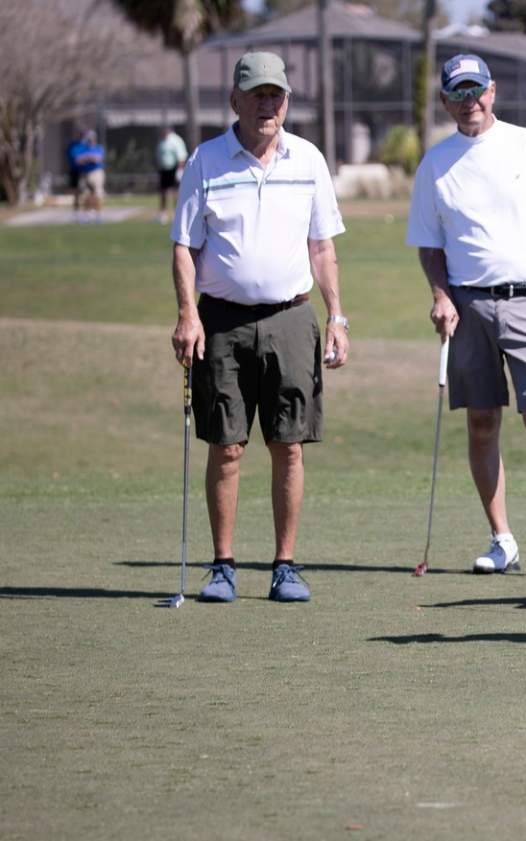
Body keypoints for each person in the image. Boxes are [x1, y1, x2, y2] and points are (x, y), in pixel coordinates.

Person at [169, 51, 349, 604]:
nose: (267, 105)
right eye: (256, 95)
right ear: (235, 101)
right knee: (226, 446)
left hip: (291, 318)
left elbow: (322, 247)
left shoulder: (309, 159)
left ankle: (284, 566)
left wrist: (337, 315)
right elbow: (184, 246)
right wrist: (187, 314)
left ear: (287, 101)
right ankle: (222, 566)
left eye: (276, 95)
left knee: (288, 445)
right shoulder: (205, 161)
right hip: (221, 321)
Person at [406, 53, 526, 578]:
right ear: (445, 101)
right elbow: (429, 245)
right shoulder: (435, 164)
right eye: (458, 94)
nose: (469, 103)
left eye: (476, 91)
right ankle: (501, 538)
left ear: (493, 91)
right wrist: (440, 296)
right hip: (468, 305)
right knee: (483, 421)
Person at [156, 126, 188, 224]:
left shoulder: (175, 140)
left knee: (175, 192)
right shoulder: (162, 141)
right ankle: (163, 214)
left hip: (174, 169)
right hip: (164, 169)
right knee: (163, 192)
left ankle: (177, 214)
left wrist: (179, 170)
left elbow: (181, 156)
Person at [71, 130, 105, 221]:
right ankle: (87, 213)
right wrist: (89, 157)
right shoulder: (82, 148)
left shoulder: (98, 147)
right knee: (85, 194)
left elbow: (98, 159)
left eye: (92, 138)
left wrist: (87, 158)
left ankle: (98, 214)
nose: (91, 140)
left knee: (98, 193)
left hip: (96, 172)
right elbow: (78, 160)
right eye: (89, 138)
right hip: (85, 173)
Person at [66, 130, 86, 213]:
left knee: (85, 188)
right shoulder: (73, 145)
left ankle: (87, 205)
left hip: (85, 170)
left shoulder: (85, 145)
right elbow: (75, 158)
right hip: (75, 170)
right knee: (75, 189)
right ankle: (76, 206)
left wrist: (84, 159)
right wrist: (84, 159)